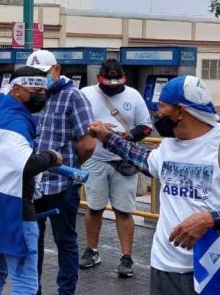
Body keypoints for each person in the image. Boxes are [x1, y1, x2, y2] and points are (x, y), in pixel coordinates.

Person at [88, 75, 220, 295]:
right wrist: (107, 136)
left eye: (163, 106)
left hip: (217, 269)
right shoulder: (168, 146)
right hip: (164, 266)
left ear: (181, 111)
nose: (158, 113)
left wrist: (209, 220)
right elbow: (143, 159)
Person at [0, 66, 63, 295]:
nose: (40, 94)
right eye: (34, 89)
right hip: (12, 207)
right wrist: (51, 157)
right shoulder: (15, 121)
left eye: (43, 89)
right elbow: (28, 165)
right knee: (24, 281)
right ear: (16, 89)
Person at [26, 49, 97, 295]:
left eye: (43, 74)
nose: (38, 80)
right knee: (33, 240)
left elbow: (88, 143)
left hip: (61, 185)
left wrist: (70, 167)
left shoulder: (72, 97)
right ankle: (32, 289)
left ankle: (66, 291)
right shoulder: (31, 97)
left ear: (56, 70)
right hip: (33, 185)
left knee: (65, 241)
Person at [79, 59, 153, 277]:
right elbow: (75, 122)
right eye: (108, 84)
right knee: (94, 207)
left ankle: (126, 257)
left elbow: (147, 126)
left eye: (116, 84)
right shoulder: (85, 93)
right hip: (96, 158)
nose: (113, 87)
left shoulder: (133, 95)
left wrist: (126, 136)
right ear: (99, 79)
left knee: (123, 210)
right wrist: (93, 128)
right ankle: (92, 250)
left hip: (123, 161)